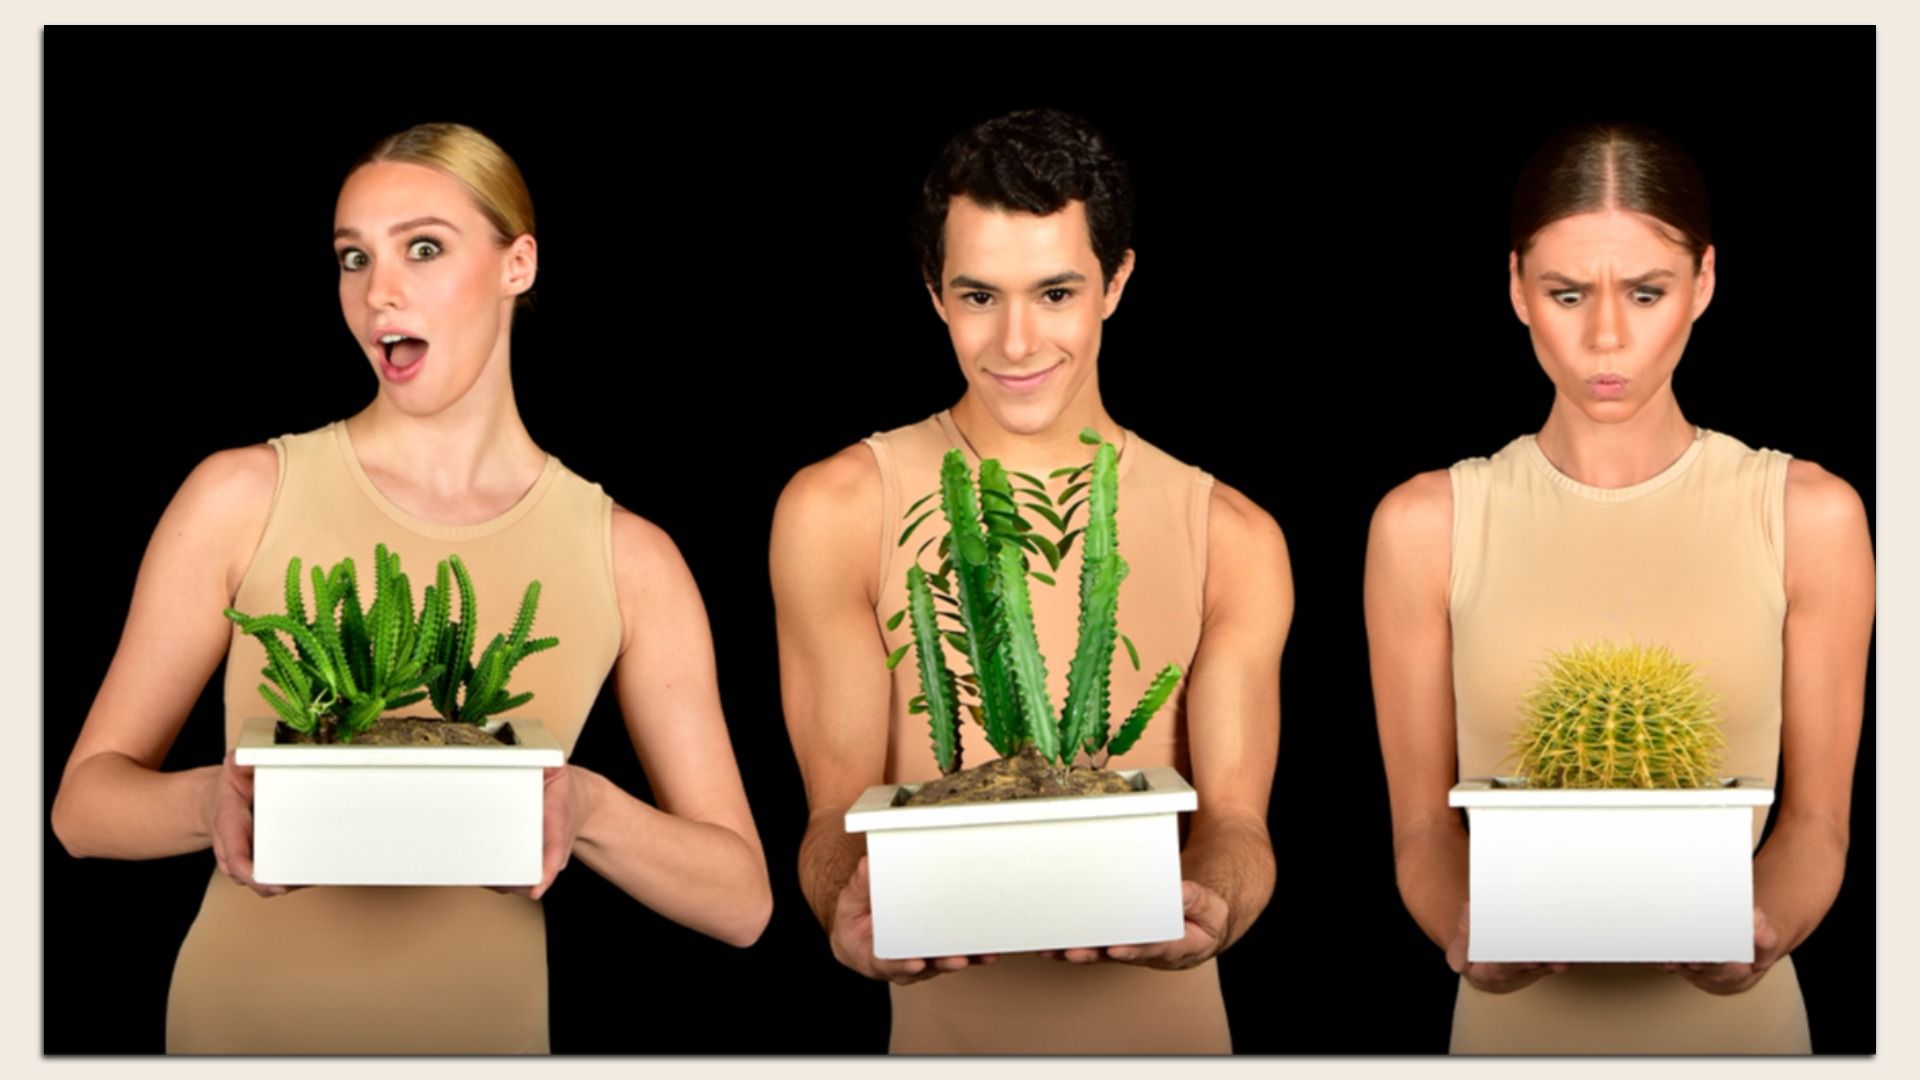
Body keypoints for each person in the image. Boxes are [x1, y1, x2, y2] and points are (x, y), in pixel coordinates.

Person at [49, 122, 772, 1053]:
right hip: (238, 1033)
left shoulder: (629, 556)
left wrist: (583, 808)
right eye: (354, 257)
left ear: (519, 264)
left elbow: (742, 901)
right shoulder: (241, 495)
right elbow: (82, 809)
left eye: (422, 248)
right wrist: (210, 803)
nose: (377, 291)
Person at [770, 108, 1291, 1053]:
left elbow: (1237, 825)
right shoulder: (837, 507)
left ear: (1116, 283)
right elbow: (833, 817)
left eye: (1055, 293)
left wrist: (1211, 906)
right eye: (979, 297)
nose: (1016, 343)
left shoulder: (1234, 534)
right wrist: (844, 906)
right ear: (934, 292)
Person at [1363, 122, 1873, 1053]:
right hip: (1509, 1030)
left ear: (1704, 283)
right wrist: (1467, 935)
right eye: (1567, 292)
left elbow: (1817, 825)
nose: (1606, 335)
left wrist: (1760, 934)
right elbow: (1421, 835)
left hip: (1744, 1035)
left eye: (1647, 292)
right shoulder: (1422, 525)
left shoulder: (1812, 515)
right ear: (1516, 287)